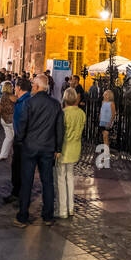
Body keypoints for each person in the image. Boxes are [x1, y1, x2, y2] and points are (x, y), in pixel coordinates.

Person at [14, 73, 63, 227]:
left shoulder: (29, 103)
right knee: (47, 182)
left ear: (36, 86)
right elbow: (60, 128)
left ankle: (23, 216)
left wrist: (19, 140)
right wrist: (58, 148)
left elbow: (23, 124)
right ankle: (48, 216)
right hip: (48, 148)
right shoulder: (55, 104)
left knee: (27, 182)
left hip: (30, 147)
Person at [55, 88, 86, 218]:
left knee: (61, 179)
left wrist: (57, 149)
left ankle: (62, 210)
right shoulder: (81, 113)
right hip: (75, 148)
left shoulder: (63, 113)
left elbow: (59, 133)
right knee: (70, 178)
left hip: (64, 148)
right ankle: (71, 207)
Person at [5, 77, 32, 203]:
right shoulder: (23, 100)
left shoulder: (25, 102)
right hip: (22, 137)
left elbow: (24, 122)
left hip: (22, 139)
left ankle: (19, 193)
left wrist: (19, 138)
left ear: (19, 88)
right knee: (17, 166)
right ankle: (17, 191)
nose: (14, 89)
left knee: (19, 167)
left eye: (15, 86)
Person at [0, 81, 17, 160]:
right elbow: (19, 100)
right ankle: (16, 155)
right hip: (11, 120)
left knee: (8, 138)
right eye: (12, 86)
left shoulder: (2, 96)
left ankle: (3, 155)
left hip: (3, 119)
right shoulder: (11, 96)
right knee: (16, 138)